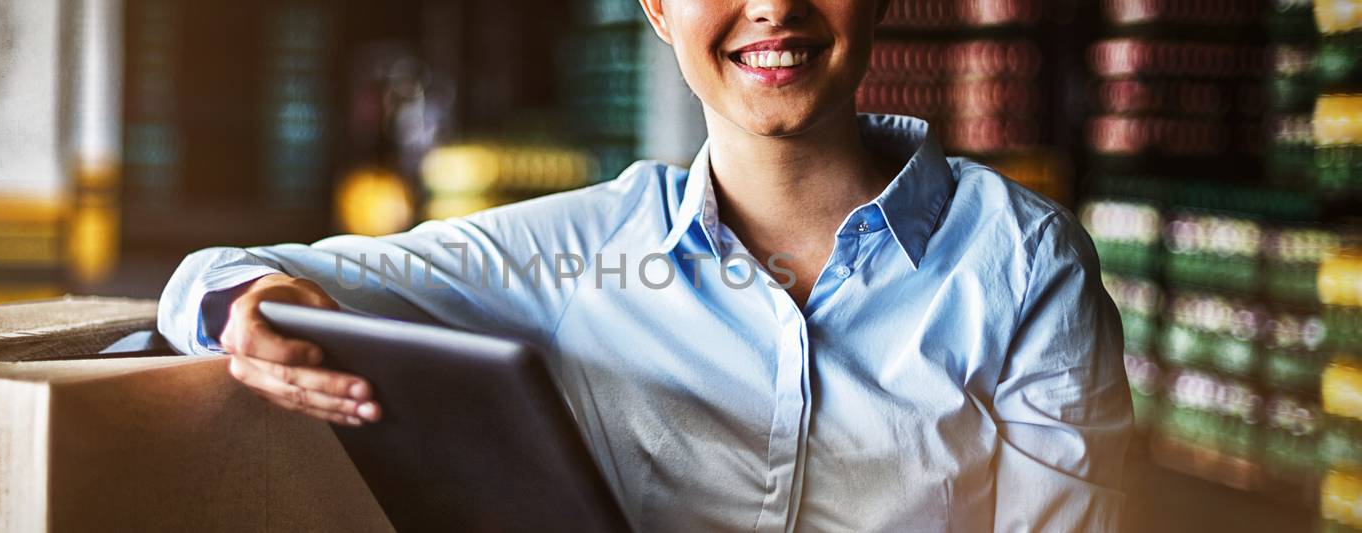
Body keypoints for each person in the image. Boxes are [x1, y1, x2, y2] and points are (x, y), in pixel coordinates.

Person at [157, 0, 1132, 531]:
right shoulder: (574, 250)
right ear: (659, 9)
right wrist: (254, 301)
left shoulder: (1020, 260)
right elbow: (217, 272)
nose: (773, 9)